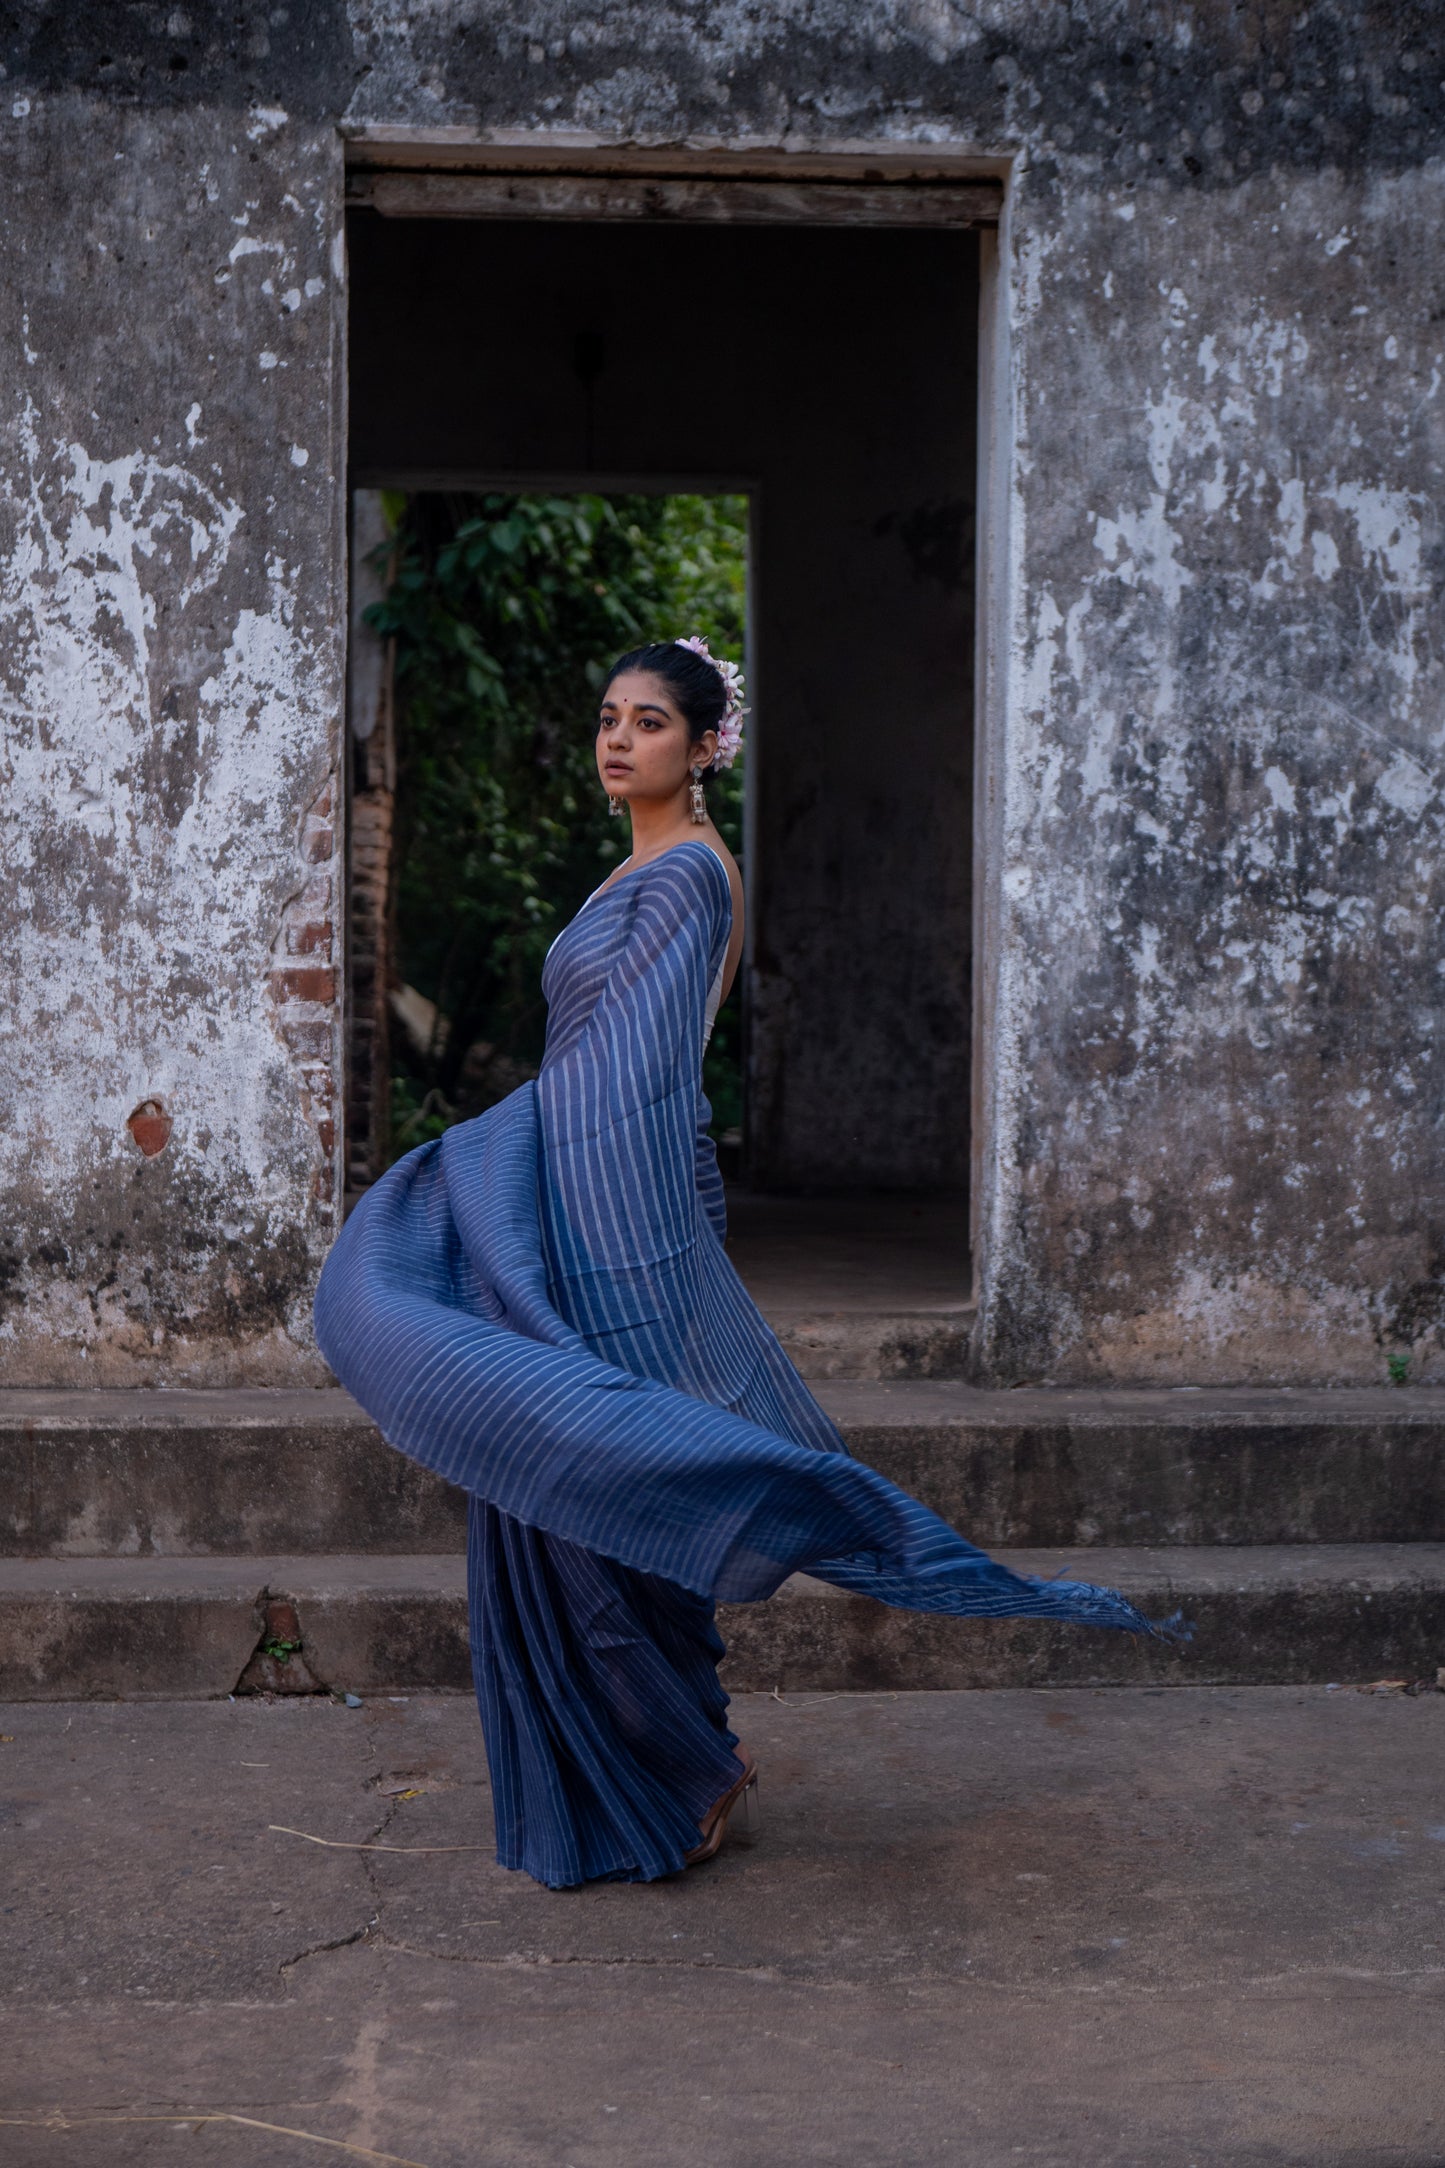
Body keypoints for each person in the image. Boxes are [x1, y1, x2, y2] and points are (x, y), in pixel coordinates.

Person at [315, 637, 1172, 1890]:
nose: (618, 738)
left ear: (705, 743)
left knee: (593, 1487)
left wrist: (481, 1162)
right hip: (581, 1192)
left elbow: (628, 1075)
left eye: (649, 720)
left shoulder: (686, 881)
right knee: (568, 1485)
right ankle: (679, 1759)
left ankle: (688, 1769)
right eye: (607, 715)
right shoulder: (639, 866)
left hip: (613, 1210)